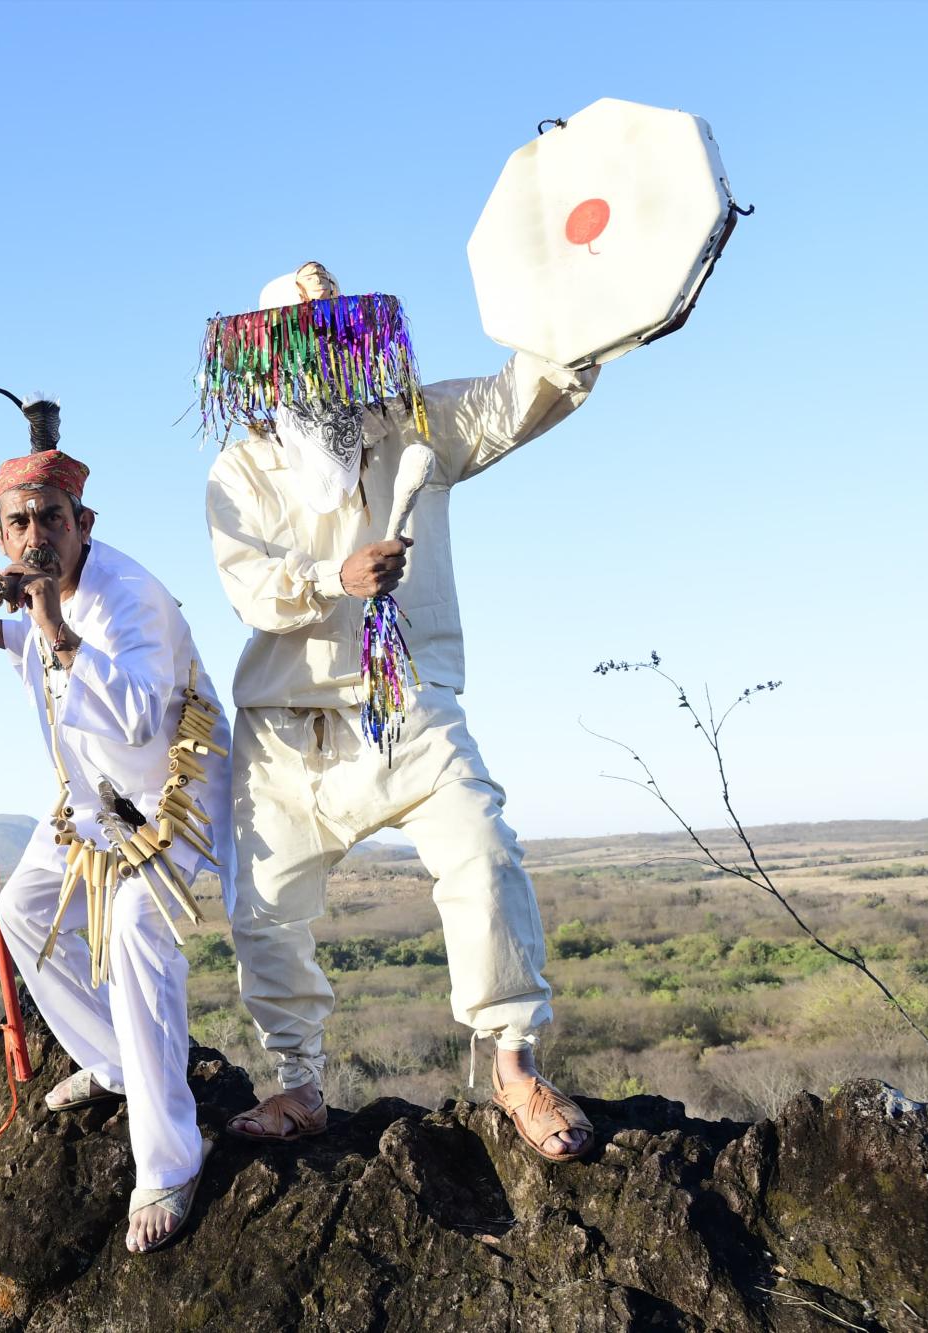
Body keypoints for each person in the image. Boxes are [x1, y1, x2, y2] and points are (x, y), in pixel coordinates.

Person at [205, 262, 597, 1161]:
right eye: (302, 347)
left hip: (407, 701)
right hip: (288, 728)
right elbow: (250, 587)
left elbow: (518, 398)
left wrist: (588, 314)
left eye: (336, 339)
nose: (322, 361)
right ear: (267, 363)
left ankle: (514, 1065)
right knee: (263, 911)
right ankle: (299, 1085)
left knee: (483, 850)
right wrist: (331, 577)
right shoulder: (238, 469)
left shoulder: (417, 424)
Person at [0, 388, 231, 1250]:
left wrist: (52, 627)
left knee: (139, 933)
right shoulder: (41, 600)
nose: (36, 533)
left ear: (83, 522)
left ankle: (171, 1158)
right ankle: (114, 1061)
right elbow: (34, 650)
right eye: (20, 522)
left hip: (172, 794)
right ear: (0, 535)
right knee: (21, 911)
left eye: (51, 517)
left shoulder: (128, 596)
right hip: (94, 803)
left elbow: (138, 715)